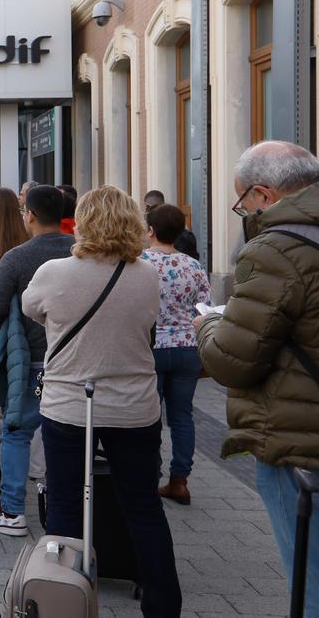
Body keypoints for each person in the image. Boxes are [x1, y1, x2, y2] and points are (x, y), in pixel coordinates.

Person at [25, 185, 181, 617]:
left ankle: (63, 603)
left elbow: (31, 309)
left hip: (70, 402)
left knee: (64, 505)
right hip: (134, 405)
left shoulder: (54, 272)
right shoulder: (146, 274)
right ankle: (163, 606)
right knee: (144, 508)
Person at [196, 140, 319, 613]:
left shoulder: (275, 249)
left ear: (264, 195)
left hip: (298, 441)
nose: (242, 211)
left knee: (309, 581)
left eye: (242, 201)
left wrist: (208, 325)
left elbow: (233, 360)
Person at [0, 185, 74, 536]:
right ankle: (67, 509)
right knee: (67, 434)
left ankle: (12, 510)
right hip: (73, 360)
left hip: (31, 360)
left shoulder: (16, 258)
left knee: (16, 431)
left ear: (28, 214)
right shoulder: (80, 252)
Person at [141, 204, 211, 506]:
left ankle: (149, 476)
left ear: (151, 230)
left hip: (151, 348)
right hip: (187, 348)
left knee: (149, 416)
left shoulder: (139, 263)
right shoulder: (194, 266)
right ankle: (180, 480)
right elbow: (205, 309)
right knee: (183, 415)